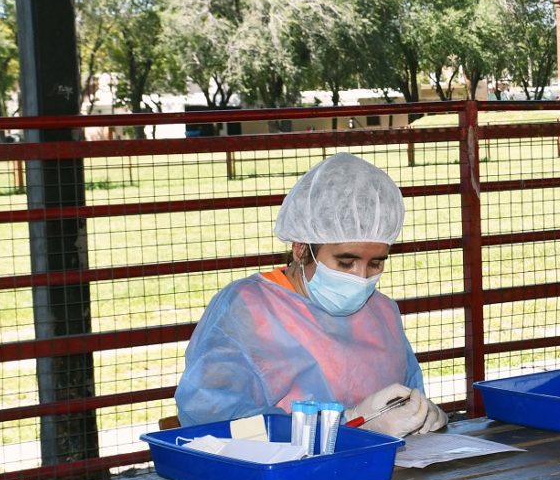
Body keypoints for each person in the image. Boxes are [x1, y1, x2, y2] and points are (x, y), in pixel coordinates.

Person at [175, 152, 447, 438]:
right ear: (301, 248)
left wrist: (421, 415)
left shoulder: (382, 312)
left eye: (376, 262)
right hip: (286, 475)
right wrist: (344, 425)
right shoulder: (247, 308)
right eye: (345, 262)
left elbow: (406, 391)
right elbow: (213, 419)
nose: (361, 277)